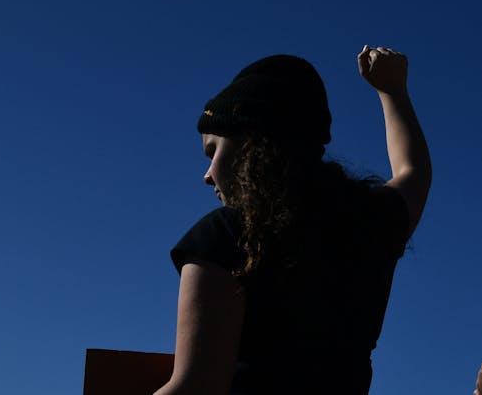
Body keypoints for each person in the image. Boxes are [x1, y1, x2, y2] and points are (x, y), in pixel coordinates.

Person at [154, 46, 432, 395]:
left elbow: (197, 386)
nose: (207, 175)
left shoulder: (224, 236)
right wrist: (393, 91)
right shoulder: (370, 226)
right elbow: (413, 173)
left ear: (251, 144)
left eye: (213, 151)